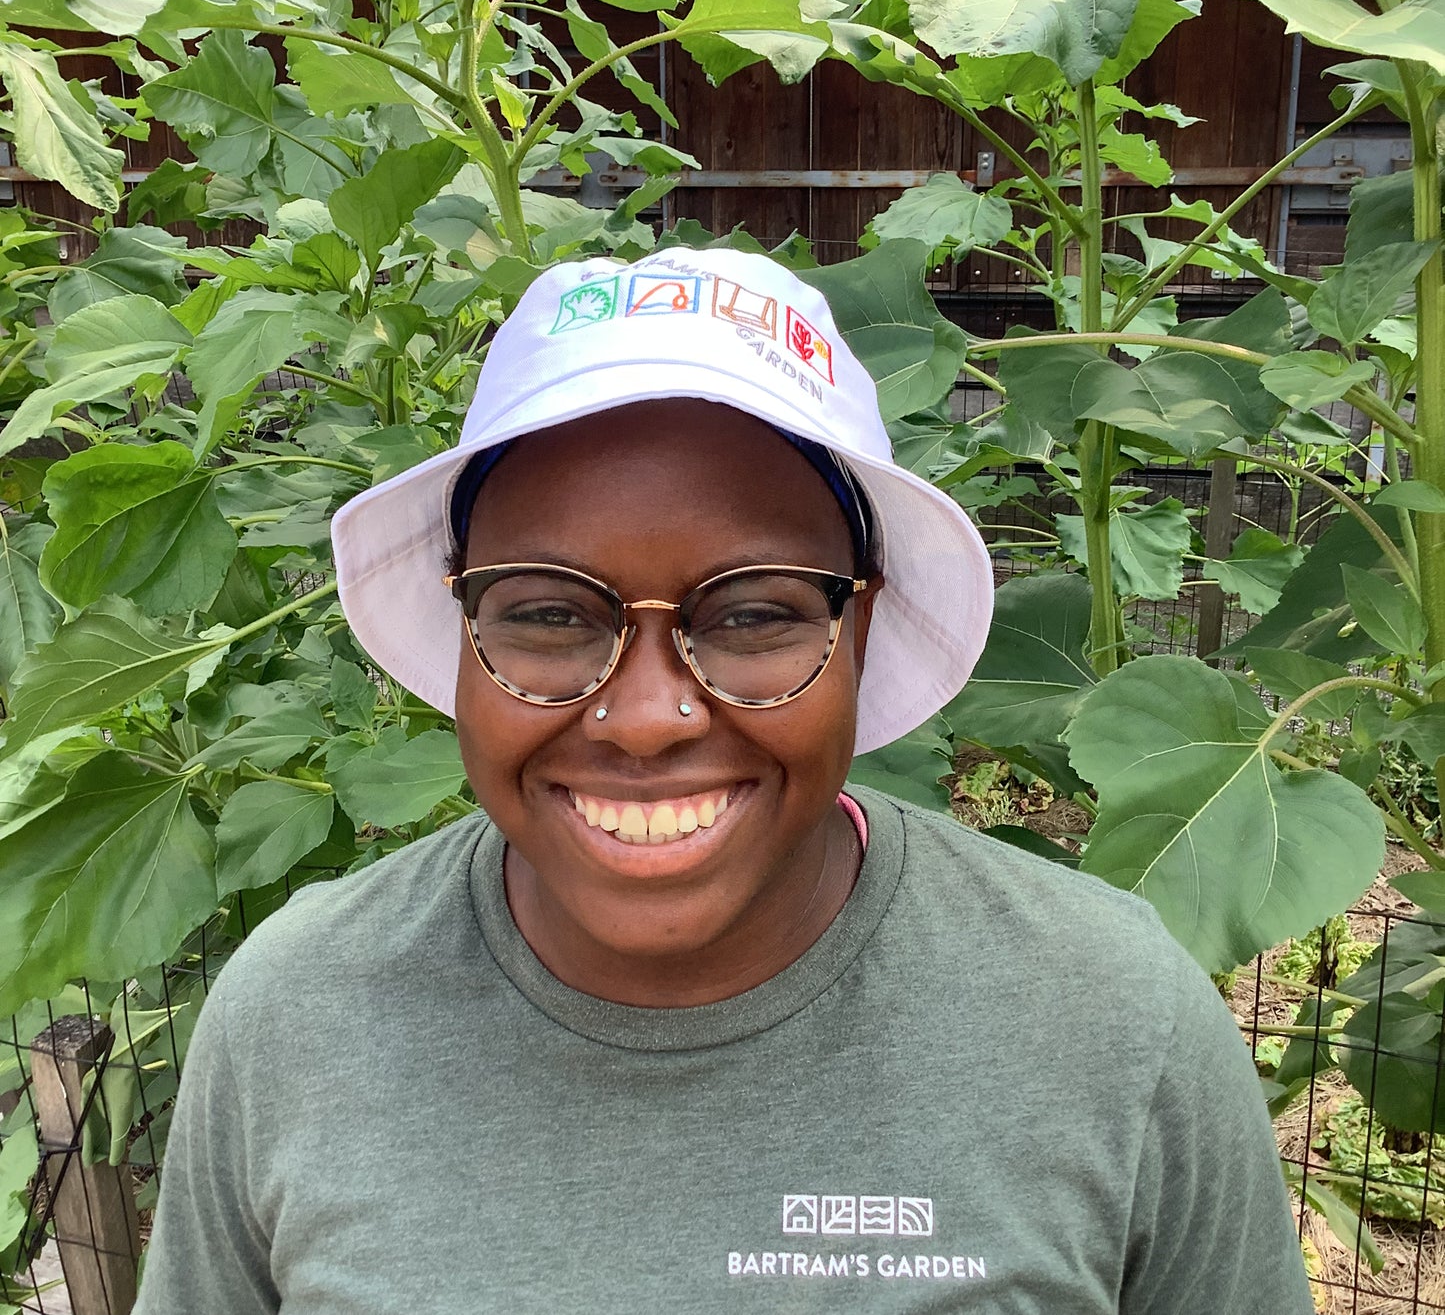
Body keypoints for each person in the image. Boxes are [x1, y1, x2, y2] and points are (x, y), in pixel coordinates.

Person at [134, 248, 1314, 1313]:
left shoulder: (1110, 1017)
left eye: (753, 613)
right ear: (459, 627)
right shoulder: (296, 1013)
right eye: (546, 613)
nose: (645, 718)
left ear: (862, 629)